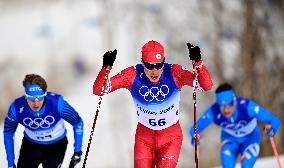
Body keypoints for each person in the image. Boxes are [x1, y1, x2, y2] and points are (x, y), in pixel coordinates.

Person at [93, 40, 213, 167]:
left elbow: (206, 86)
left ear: (164, 61)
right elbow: (99, 90)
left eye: (158, 65)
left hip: (171, 138)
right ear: (142, 63)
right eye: (149, 66)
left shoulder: (174, 72)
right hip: (144, 139)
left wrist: (198, 63)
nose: (154, 71)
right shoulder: (132, 75)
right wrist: (106, 68)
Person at [188, 83, 281, 168]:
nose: (226, 110)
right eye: (222, 106)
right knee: (227, 165)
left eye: (229, 105)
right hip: (230, 140)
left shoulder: (248, 107)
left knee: (247, 165)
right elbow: (194, 129)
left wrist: (272, 129)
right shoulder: (213, 112)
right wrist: (195, 136)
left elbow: (274, 120)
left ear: (235, 101)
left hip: (250, 138)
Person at [3, 74, 84, 168]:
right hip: (31, 145)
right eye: (31, 98)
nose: (36, 103)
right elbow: (8, 132)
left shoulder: (57, 103)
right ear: (26, 96)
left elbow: (78, 122)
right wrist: (10, 163)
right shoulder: (16, 108)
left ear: (45, 94)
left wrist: (77, 152)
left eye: (40, 97)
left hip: (56, 145)